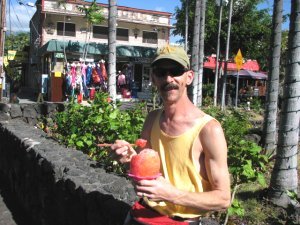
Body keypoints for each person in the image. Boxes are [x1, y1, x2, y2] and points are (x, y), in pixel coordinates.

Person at [111, 45, 231, 225]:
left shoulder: (208, 130)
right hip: (142, 215)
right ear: (154, 78)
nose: (168, 78)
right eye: (161, 72)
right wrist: (128, 158)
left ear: (189, 77)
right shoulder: (152, 119)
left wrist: (171, 194)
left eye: (175, 71)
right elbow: (145, 173)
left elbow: (223, 199)